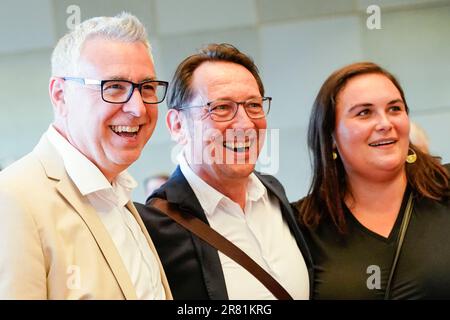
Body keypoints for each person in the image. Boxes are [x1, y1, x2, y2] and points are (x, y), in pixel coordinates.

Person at [0, 13, 172, 299]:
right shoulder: (13, 200)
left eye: (147, 88)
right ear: (60, 94)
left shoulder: (119, 194)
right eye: (114, 87)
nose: (139, 108)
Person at [137, 43, 312, 299]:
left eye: (253, 105)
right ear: (177, 125)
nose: (244, 123)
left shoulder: (273, 193)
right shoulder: (154, 228)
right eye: (221, 108)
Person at [295, 61, 450, 299]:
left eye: (395, 109)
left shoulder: (445, 189)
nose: (385, 124)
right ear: (331, 136)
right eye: (364, 113)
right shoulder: (302, 224)